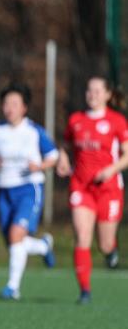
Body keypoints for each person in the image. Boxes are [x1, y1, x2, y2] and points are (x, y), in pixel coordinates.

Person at [0, 82, 58, 301]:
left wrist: (39, 166)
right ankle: (43, 246)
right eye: (6, 104)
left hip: (29, 188)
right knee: (12, 241)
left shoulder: (34, 131)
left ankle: (12, 287)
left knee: (15, 236)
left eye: (14, 103)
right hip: (4, 189)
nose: (9, 108)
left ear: (24, 108)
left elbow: (53, 156)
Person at [57, 76, 128, 304]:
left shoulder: (117, 121)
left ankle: (111, 250)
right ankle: (85, 290)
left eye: (98, 90)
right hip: (81, 186)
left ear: (107, 95)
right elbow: (65, 146)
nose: (92, 94)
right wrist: (62, 159)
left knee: (104, 243)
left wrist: (111, 170)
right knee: (82, 236)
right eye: (89, 90)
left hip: (108, 189)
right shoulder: (76, 120)